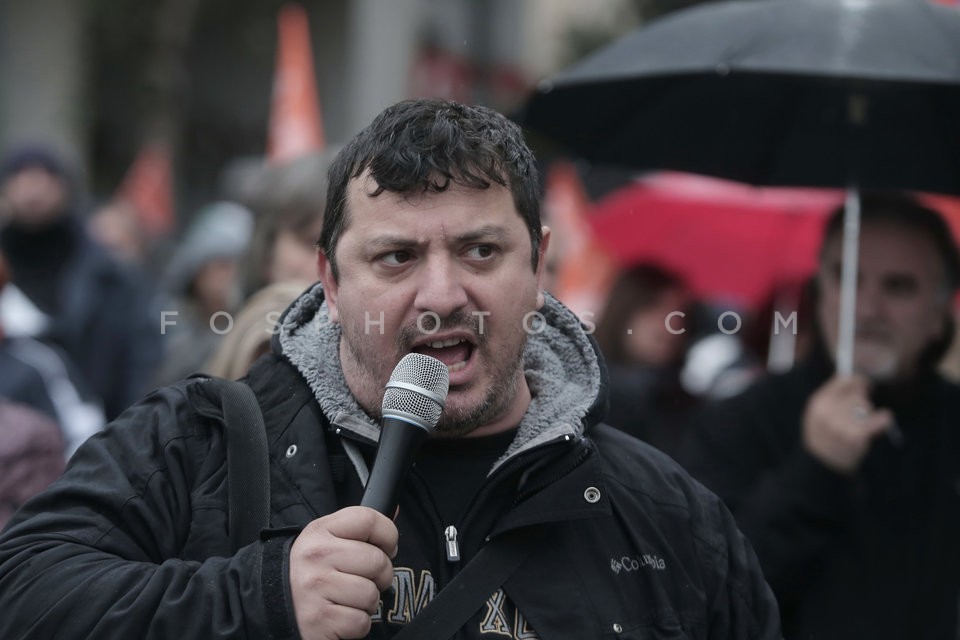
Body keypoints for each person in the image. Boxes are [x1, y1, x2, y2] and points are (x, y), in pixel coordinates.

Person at [0, 99, 780, 639]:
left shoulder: (666, 514)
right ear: (332, 284)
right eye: (396, 257)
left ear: (538, 265)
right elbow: (24, 592)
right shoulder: (202, 445)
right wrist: (262, 597)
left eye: (481, 250)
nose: (441, 295)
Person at [679, 192, 960, 639]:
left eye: (898, 286)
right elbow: (705, 594)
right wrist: (815, 471)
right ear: (821, 290)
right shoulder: (741, 421)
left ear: (939, 315)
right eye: (847, 278)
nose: (867, 309)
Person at [0, 145, 163, 420]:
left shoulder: (110, 274)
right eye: (22, 175)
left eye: (45, 176)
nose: (33, 188)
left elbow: (139, 361)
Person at [592, 263, 699, 459]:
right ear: (624, 308)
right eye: (654, 307)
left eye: (680, 313)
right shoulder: (587, 390)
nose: (670, 326)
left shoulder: (683, 402)